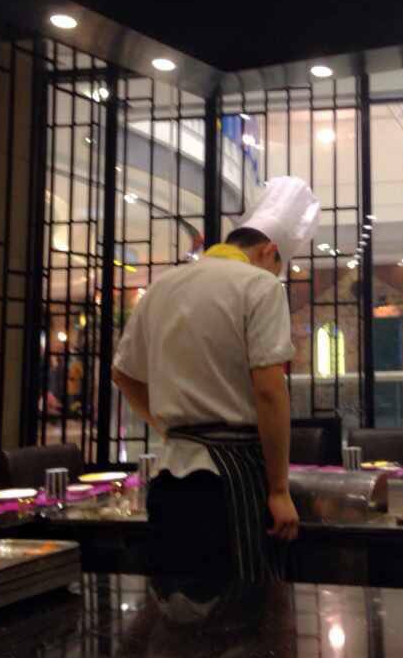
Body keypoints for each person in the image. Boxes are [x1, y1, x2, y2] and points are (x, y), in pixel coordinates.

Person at [112, 176, 320, 582]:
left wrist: (167, 427)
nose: (276, 274)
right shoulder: (260, 285)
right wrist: (279, 490)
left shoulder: (163, 285)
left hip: (167, 481)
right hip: (230, 481)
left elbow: (123, 374)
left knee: (175, 602)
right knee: (243, 604)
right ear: (269, 251)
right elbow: (269, 390)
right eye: (278, 266)